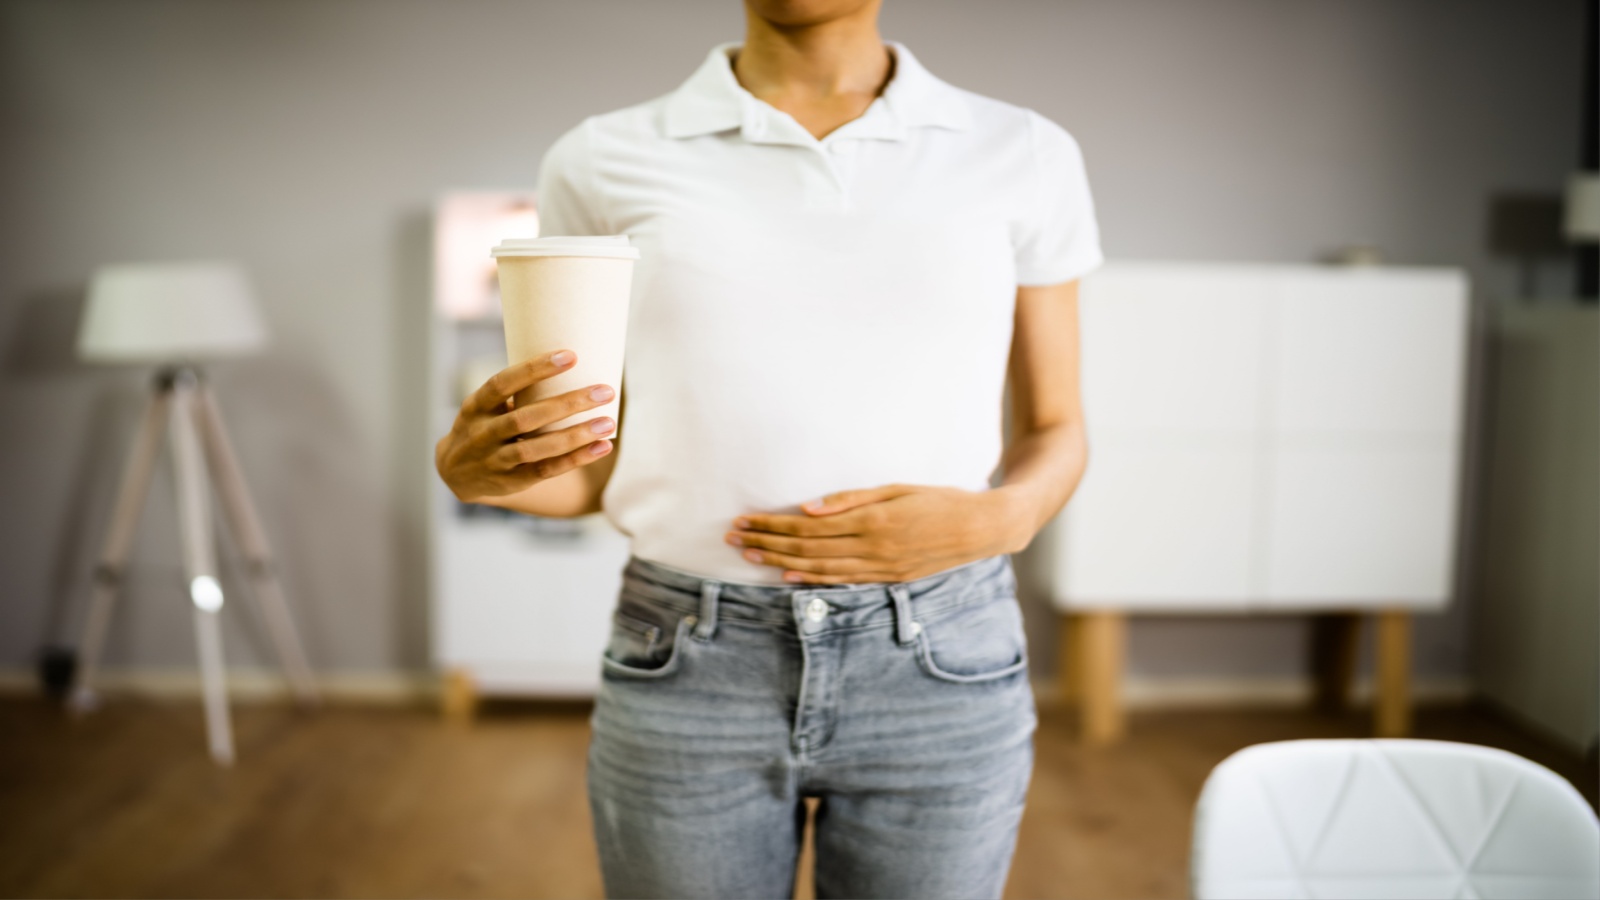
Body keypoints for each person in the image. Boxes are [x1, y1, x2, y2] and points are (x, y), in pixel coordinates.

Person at [434, 0, 1100, 896]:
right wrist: (476, 474)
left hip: (941, 658)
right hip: (689, 662)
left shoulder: (1022, 151)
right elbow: (590, 465)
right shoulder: (600, 156)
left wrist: (1007, 517)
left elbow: (1056, 425)